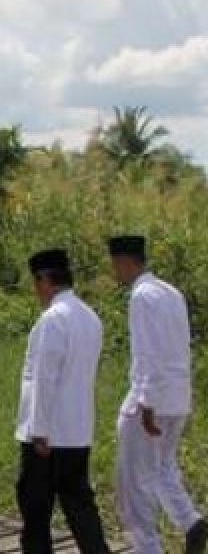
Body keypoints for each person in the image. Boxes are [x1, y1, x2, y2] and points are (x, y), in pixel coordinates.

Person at [108, 235, 207, 554]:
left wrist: (146, 403)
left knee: (133, 482)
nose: (114, 271)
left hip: (150, 400)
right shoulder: (170, 292)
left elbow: (146, 352)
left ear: (125, 261)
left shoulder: (141, 296)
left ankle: (147, 547)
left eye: (115, 264)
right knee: (163, 468)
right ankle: (190, 522)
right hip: (178, 396)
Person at [16, 249, 111, 554]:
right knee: (79, 503)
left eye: (36, 282)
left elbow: (45, 377)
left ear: (45, 279)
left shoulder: (53, 319)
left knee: (35, 505)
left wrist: (40, 430)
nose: (36, 290)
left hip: (49, 433)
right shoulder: (90, 316)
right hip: (78, 429)